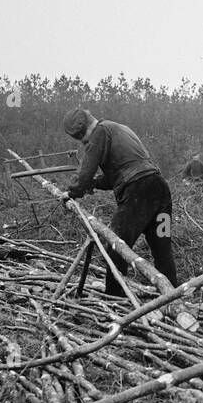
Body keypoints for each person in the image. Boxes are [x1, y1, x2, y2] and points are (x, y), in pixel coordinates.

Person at [62, 107, 178, 294]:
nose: (84, 142)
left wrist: (72, 192)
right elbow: (115, 176)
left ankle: (115, 299)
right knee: (162, 247)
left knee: (115, 246)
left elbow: (84, 175)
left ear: (81, 131)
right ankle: (172, 295)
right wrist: (94, 183)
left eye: (82, 138)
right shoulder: (120, 128)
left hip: (138, 192)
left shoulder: (99, 133)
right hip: (160, 189)